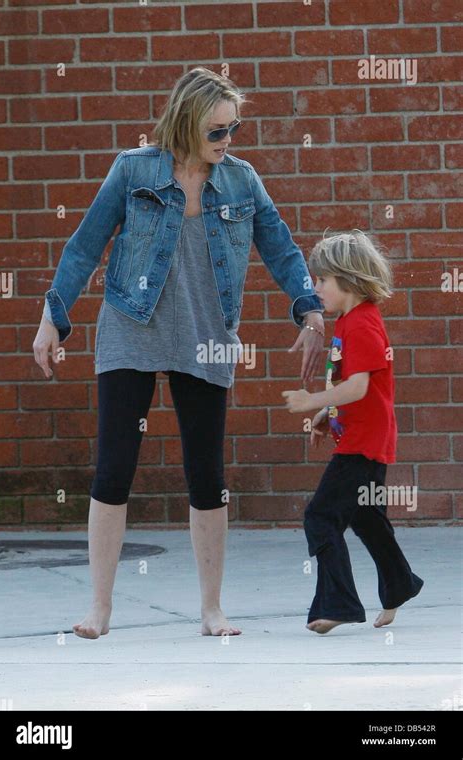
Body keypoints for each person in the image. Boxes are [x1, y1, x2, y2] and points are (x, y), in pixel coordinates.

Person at [32, 67, 325, 639]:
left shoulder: (241, 181)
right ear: (187, 124)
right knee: (114, 470)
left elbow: (281, 246)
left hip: (206, 330)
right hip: (130, 326)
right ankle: (100, 610)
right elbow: (85, 244)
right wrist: (53, 317)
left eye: (233, 129)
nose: (228, 141)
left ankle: (212, 609)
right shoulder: (133, 169)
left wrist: (309, 306)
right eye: (218, 131)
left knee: (206, 473)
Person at [282, 230, 424, 635]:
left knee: (320, 516)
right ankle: (400, 585)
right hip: (364, 440)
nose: (315, 287)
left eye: (322, 280)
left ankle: (339, 602)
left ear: (348, 279)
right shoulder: (350, 320)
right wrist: (328, 412)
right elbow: (354, 386)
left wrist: (311, 401)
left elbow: (359, 386)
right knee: (367, 519)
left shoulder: (362, 324)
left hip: (363, 446)